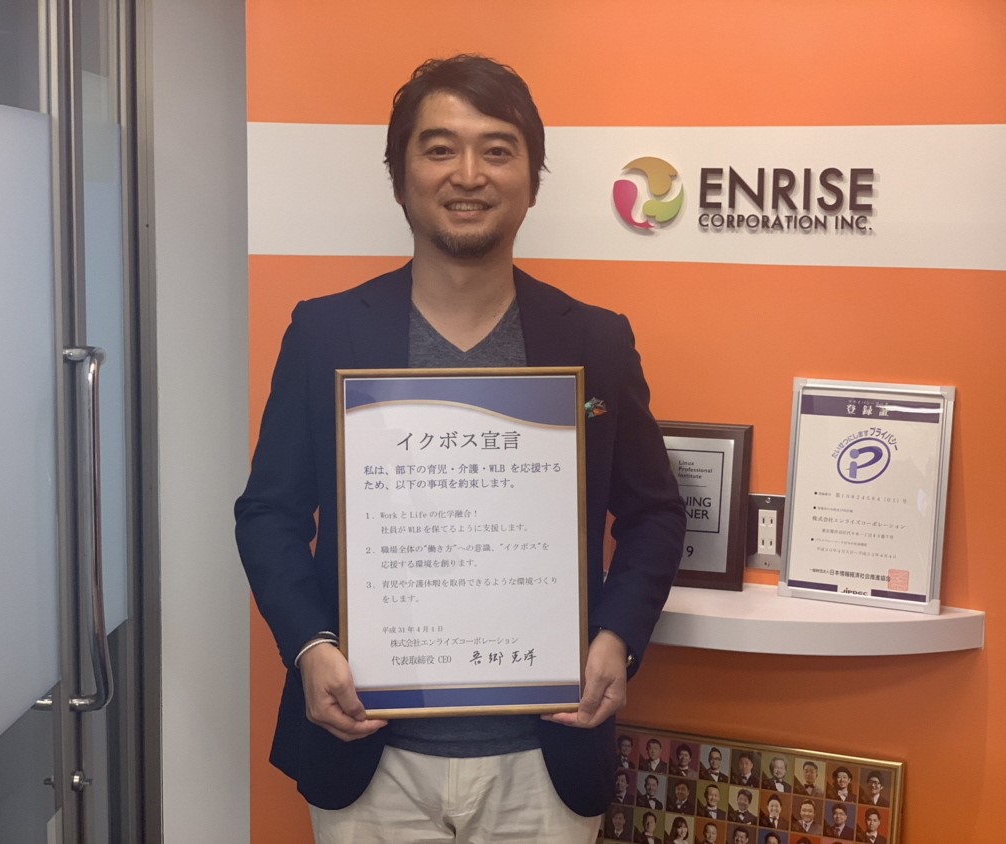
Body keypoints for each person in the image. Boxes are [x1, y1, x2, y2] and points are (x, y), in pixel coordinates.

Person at [234, 54, 686, 844]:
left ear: (532, 180)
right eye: (440, 148)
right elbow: (269, 513)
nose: (469, 174)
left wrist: (616, 638)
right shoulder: (326, 332)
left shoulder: (594, 341)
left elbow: (655, 513)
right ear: (400, 175)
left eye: (497, 150)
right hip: (370, 756)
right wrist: (309, 647)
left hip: (545, 758)